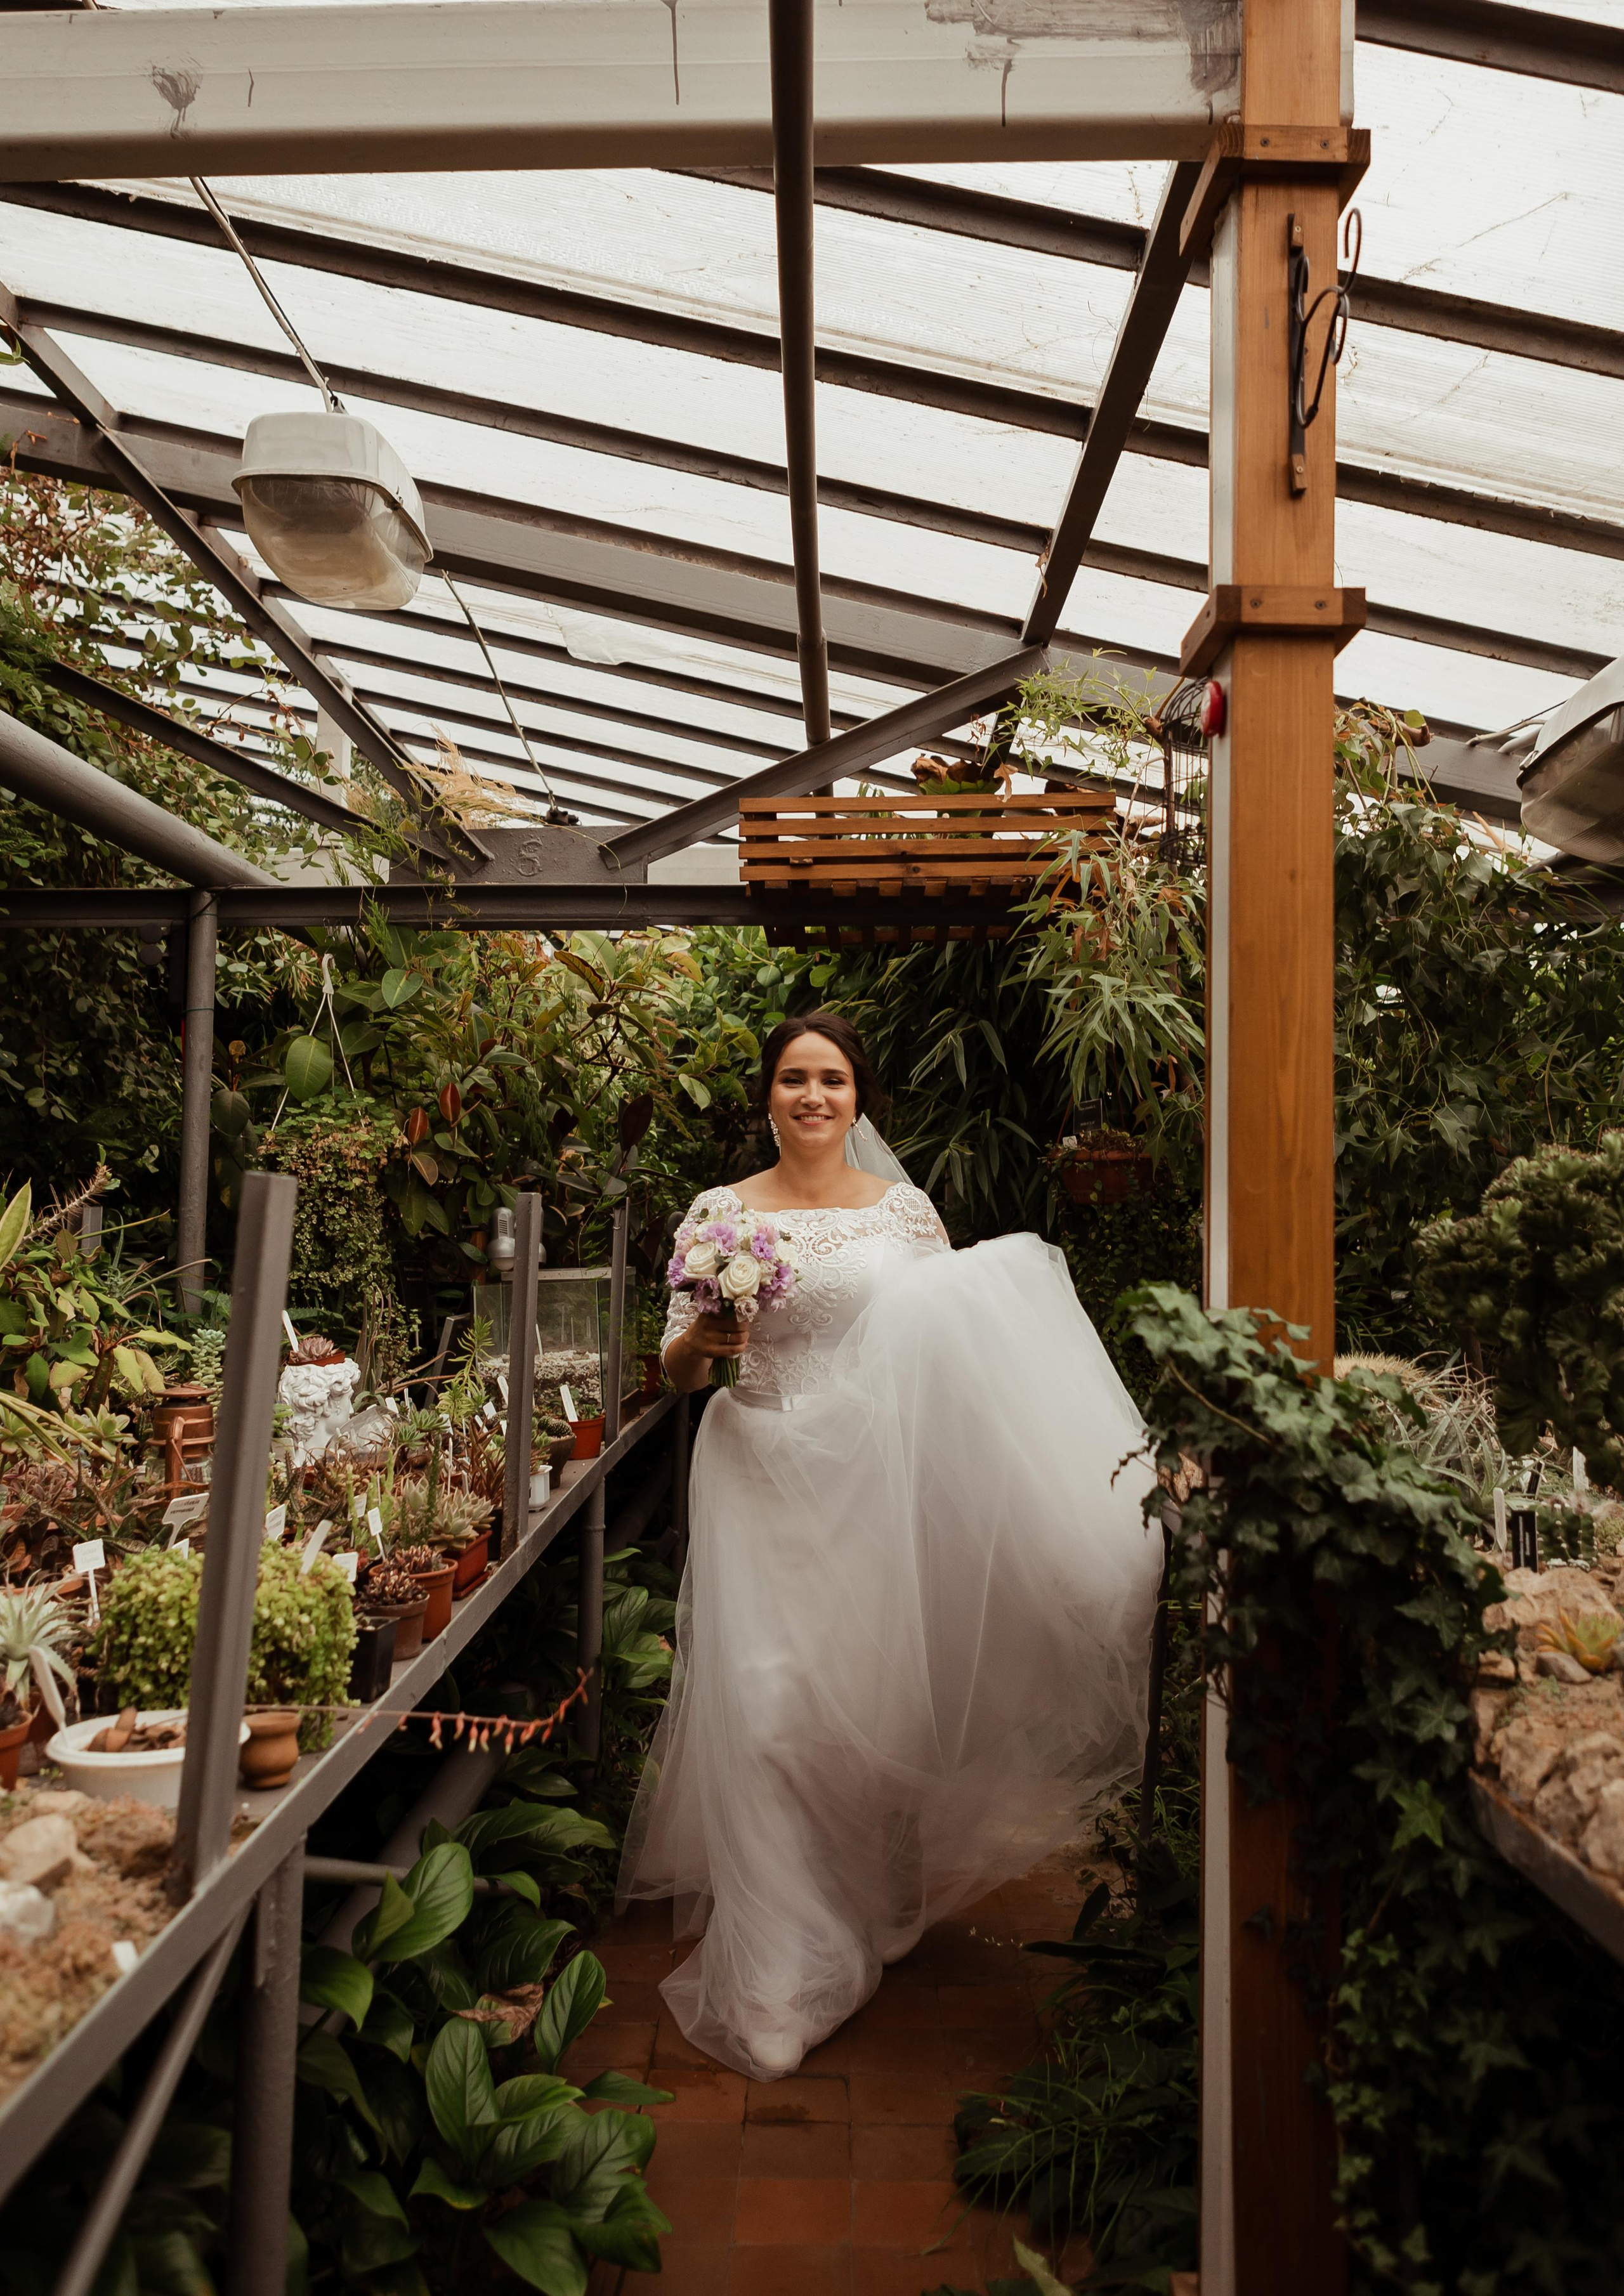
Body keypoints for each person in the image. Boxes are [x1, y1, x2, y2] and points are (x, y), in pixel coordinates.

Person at [616, 1010, 1162, 2078]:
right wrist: (705, 1343)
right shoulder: (720, 1213)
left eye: (831, 1079)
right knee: (768, 1712)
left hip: (871, 1481)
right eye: (791, 1080)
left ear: (859, 1098)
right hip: (760, 1469)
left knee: (865, 1710)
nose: (812, 1097)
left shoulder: (906, 1214)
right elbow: (674, 1370)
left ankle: (879, 1896)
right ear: (766, 1097)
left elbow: (953, 1355)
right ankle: (778, 1970)